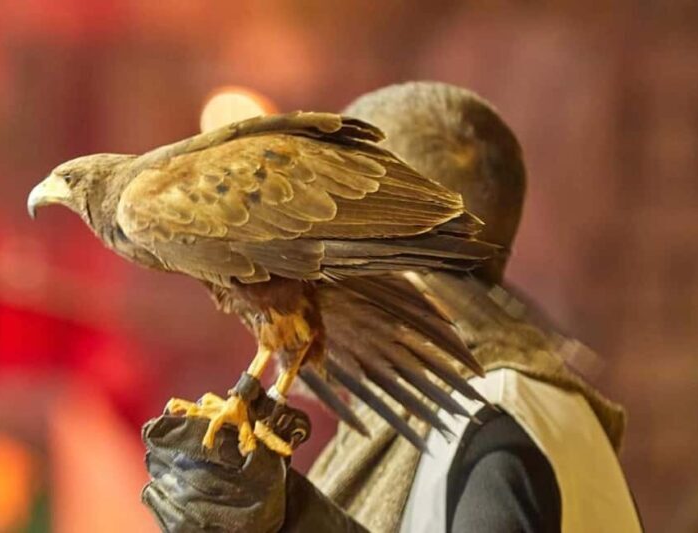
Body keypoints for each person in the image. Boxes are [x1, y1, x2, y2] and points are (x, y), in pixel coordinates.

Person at [141, 82, 642, 532]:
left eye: (309, 228)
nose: (290, 269)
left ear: (382, 242)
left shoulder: (494, 421)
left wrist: (294, 524)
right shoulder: (484, 409)